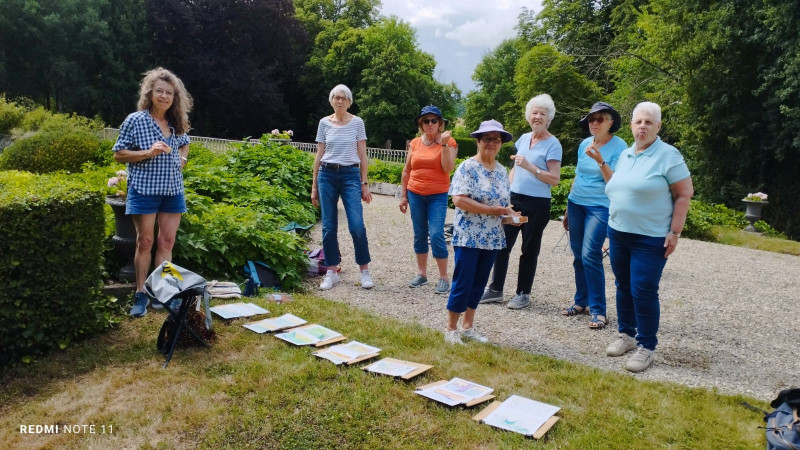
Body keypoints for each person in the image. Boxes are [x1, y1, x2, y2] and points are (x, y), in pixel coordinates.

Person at [604, 101, 693, 372]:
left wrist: (675, 232)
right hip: (618, 232)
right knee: (623, 285)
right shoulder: (626, 154)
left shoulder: (669, 155)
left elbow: (684, 194)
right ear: (632, 125)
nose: (642, 126)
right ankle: (627, 335)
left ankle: (647, 346)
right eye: (638, 121)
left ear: (658, 126)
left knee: (643, 288)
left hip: (651, 237)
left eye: (648, 122)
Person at [112, 67, 193, 317]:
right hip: (144, 190)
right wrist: (148, 152)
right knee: (145, 242)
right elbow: (119, 154)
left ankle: (163, 293)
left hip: (172, 190)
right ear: (150, 92)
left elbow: (185, 144)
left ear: (174, 97)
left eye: (169, 92)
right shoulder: (135, 120)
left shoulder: (176, 121)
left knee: (167, 242)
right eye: (159, 91)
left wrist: (182, 160)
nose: (164, 96)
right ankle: (140, 293)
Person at [479, 94, 562, 309]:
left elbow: (554, 179)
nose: (538, 116)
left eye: (542, 113)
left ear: (549, 118)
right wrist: (505, 192)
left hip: (537, 204)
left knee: (529, 250)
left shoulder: (553, 144)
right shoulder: (524, 139)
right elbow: (515, 169)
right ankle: (495, 289)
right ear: (528, 116)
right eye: (534, 112)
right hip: (514, 200)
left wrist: (531, 167)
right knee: (502, 245)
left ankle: (523, 293)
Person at [444, 120, 517, 344]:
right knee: (463, 281)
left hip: (492, 237)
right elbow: (458, 200)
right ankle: (451, 329)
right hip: (468, 235)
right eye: (487, 138)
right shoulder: (467, 167)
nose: (491, 143)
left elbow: (502, 205)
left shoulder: (502, 171)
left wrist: (511, 216)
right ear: (478, 141)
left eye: (496, 139)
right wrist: (492, 210)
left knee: (479, 283)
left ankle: (468, 326)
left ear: (501, 144)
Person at [561, 102, 627, 329]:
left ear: (610, 122)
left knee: (590, 253)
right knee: (578, 255)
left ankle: (598, 310)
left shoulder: (620, 146)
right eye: (591, 119)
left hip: (600, 206)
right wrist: (568, 208)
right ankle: (581, 302)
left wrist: (600, 160)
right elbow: (578, 176)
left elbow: (614, 181)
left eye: (600, 119)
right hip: (576, 203)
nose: (595, 123)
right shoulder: (584, 144)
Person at [311, 84, 374, 291]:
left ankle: (364, 270)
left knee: (357, 225)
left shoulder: (357, 123)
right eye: (336, 97)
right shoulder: (324, 123)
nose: (340, 101)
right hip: (327, 175)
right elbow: (319, 155)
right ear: (331, 100)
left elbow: (363, 155)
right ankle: (331, 271)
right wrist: (314, 186)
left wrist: (364, 183)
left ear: (349, 102)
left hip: (350, 175)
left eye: (344, 98)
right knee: (328, 227)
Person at [399, 105, 458, 294]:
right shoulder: (415, 143)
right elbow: (407, 170)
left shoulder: (449, 142)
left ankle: (443, 277)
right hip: (415, 193)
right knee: (419, 233)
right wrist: (403, 196)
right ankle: (422, 274)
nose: (430, 124)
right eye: (426, 121)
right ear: (421, 124)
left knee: (436, 234)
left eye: (434, 120)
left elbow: (448, 168)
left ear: (440, 123)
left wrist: (444, 145)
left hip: (437, 195)